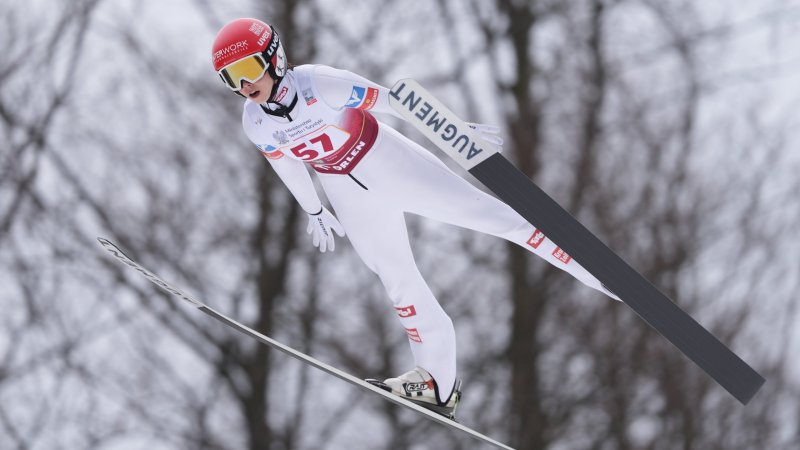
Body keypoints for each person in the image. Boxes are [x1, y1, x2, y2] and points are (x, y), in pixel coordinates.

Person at [212, 18, 618, 420]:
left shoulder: (318, 83)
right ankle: (437, 384)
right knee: (396, 279)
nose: (245, 85)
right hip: (345, 188)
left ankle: (599, 271)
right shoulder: (256, 121)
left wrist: (451, 129)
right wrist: (314, 209)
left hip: (386, 161)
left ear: (273, 57)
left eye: (248, 69)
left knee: (495, 219)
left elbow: (392, 100)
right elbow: (285, 165)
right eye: (231, 78)